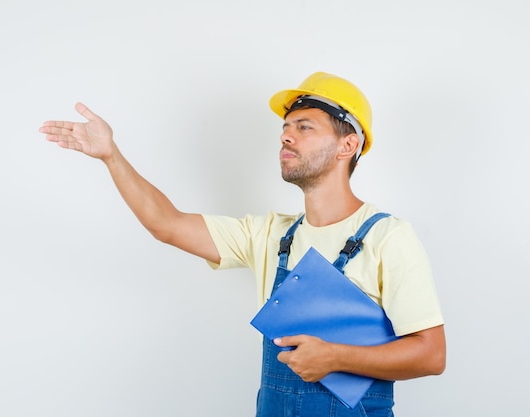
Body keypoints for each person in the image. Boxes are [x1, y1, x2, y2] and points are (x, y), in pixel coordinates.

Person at [39, 71, 446, 416]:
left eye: (304, 127)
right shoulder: (270, 235)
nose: (287, 136)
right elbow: (166, 224)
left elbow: (431, 354)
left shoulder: (387, 236)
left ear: (348, 145)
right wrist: (111, 155)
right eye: (286, 128)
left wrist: (336, 357)